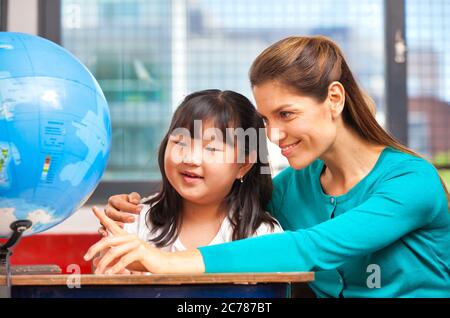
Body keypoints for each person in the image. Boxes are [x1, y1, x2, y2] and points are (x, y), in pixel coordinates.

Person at [85, 36, 450, 297]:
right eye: (265, 119)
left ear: (334, 99)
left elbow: (308, 248)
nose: (273, 135)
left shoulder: (411, 181)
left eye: (286, 114)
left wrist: (163, 263)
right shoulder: (290, 187)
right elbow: (223, 198)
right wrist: (143, 207)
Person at [89, 89, 282, 275]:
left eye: (212, 149)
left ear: (243, 165)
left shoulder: (262, 235)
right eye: (180, 142)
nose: (190, 158)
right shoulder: (135, 222)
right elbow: (103, 276)